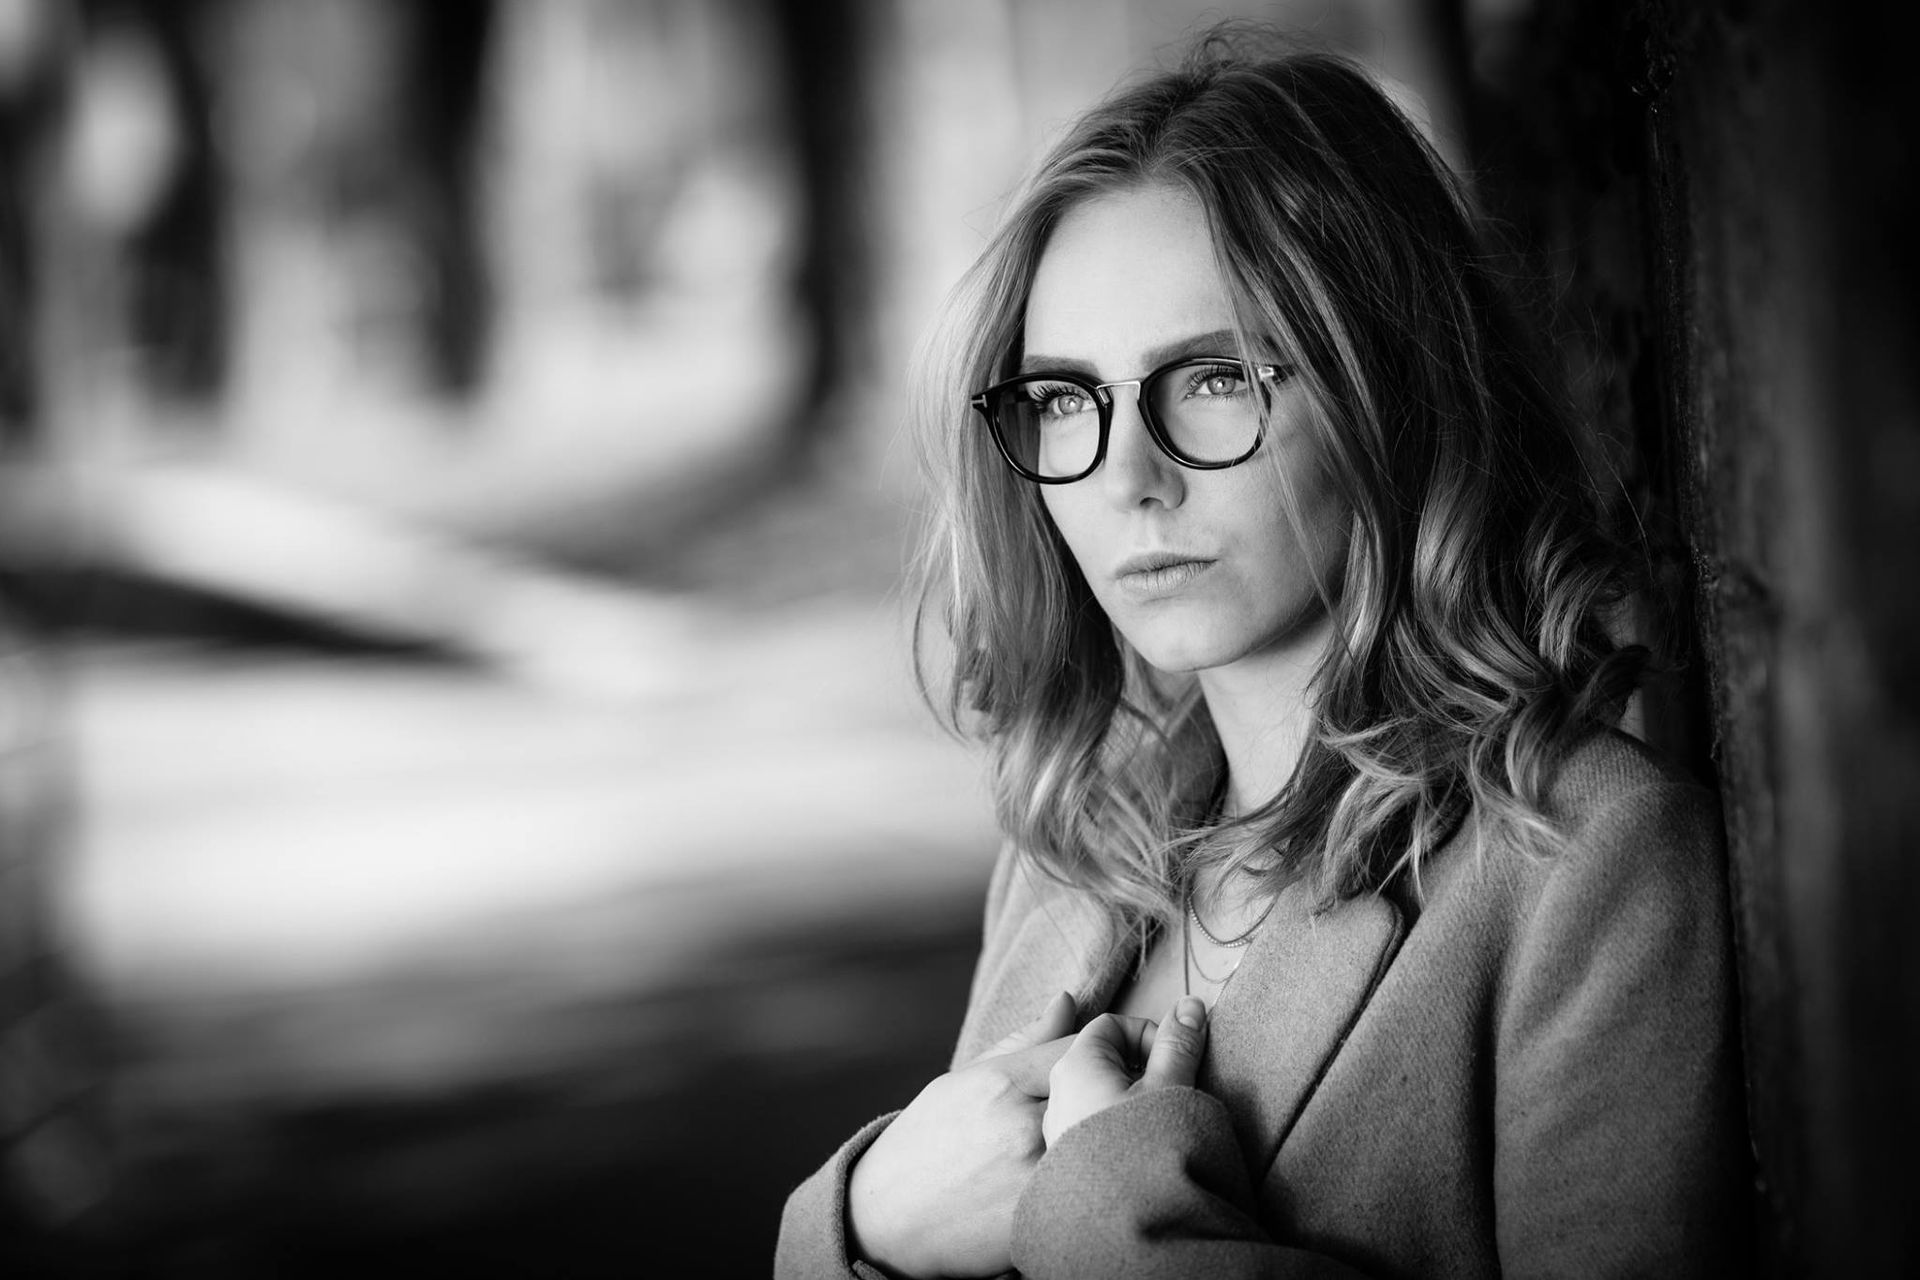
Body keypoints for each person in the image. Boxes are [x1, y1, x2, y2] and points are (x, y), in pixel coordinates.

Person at [777, 37, 1750, 1280]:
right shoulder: (1073, 843)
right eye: (1067, 400)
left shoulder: (1589, 863)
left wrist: (1119, 1223)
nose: (1131, 478)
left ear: (1388, 386)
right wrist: (865, 1225)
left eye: (1215, 377)